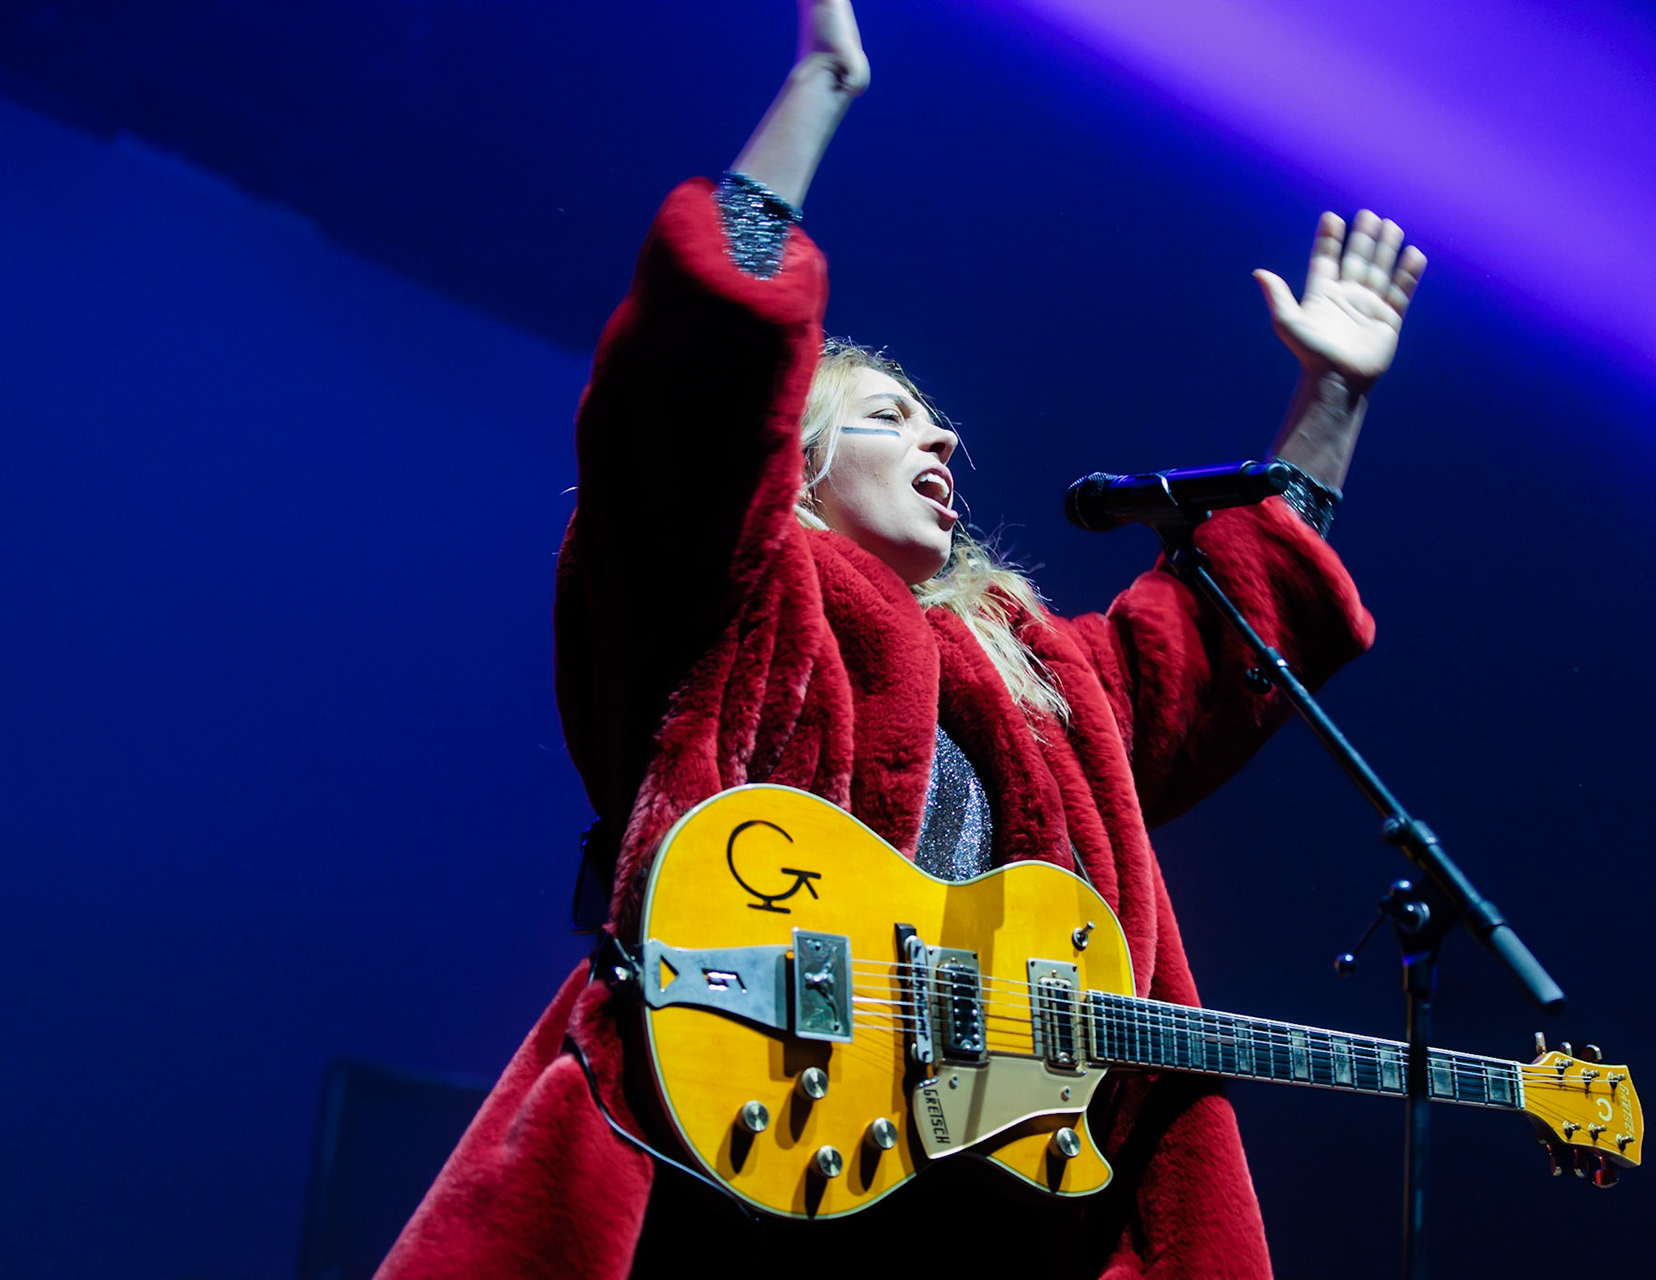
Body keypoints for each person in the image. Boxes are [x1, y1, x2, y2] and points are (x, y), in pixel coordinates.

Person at [378, 2, 1423, 1276]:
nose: (943, 442)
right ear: (799, 463)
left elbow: (1226, 642)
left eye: (941, 426)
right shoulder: (737, 589)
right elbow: (691, 398)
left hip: (986, 1206)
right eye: (890, 416)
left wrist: (1333, 403)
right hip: (736, 1158)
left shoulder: (1041, 670)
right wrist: (818, 87)